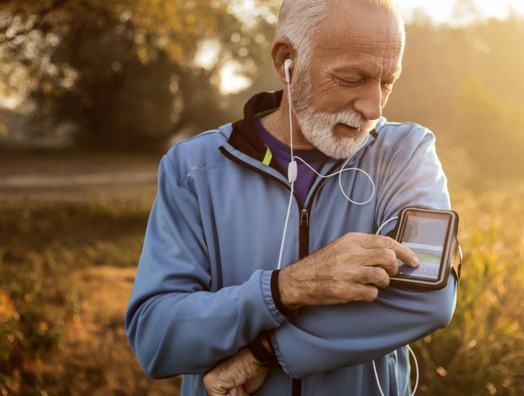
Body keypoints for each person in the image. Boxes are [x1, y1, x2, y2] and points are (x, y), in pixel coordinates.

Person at [125, 0, 458, 395]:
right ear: (287, 60)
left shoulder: (407, 153)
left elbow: (428, 298)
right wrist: (284, 289)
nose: (374, 106)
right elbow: (156, 340)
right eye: (352, 78)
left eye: (387, 82)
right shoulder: (192, 169)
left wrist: (264, 351)